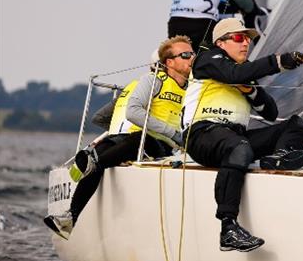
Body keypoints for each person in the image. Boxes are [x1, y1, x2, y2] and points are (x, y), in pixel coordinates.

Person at [182, 18, 303, 252]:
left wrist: (251, 90)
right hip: (202, 135)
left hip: (234, 138)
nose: (246, 45)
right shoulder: (207, 59)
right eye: (240, 38)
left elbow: (271, 113)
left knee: (299, 126)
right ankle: (228, 228)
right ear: (221, 43)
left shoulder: (242, 73)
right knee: (240, 147)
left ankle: (279, 156)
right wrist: (279, 62)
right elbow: (232, 74)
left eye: (249, 40)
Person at [44, 36, 194, 239]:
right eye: (186, 55)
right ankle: (70, 218)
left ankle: (90, 164)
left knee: (111, 152)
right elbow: (133, 112)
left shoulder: (194, 88)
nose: (192, 58)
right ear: (168, 62)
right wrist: (172, 132)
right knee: (108, 149)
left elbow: (101, 118)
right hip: (133, 140)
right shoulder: (154, 82)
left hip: (156, 145)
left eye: (193, 54)